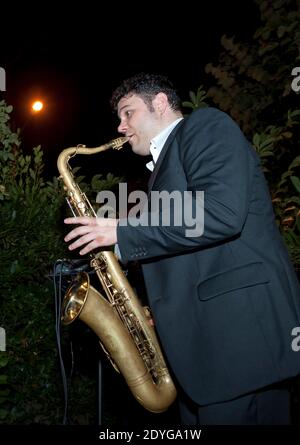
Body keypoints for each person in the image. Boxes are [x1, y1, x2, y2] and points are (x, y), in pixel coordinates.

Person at [64, 73, 300, 425]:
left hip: (238, 344)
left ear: (159, 102)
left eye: (128, 113)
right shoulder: (159, 173)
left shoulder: (204, 126)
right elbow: (185, 247)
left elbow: (220, 213)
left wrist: (123, 230)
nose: (121, 126)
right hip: (207, 355)